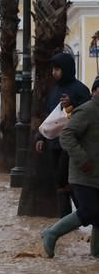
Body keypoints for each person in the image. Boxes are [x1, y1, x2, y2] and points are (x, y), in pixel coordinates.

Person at [42, 78, 99, 258]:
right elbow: (66, 135)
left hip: (96, 174)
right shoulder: (87, 110)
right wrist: (82, 159)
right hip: (83, 174)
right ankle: (52, 233)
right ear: (96, 90)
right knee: (90, 211)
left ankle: (96, 256)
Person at [35, 53, 91, 217]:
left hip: (72, 144)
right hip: (54, 143)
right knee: (60, 181)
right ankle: (67, 219)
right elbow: (50, 117)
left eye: (57, 69)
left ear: (66, 69)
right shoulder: (54, 91)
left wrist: (72, 104)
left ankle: (85, 215)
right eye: (53, 69)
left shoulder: (80, 89)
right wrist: (41, 137)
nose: (54, 72)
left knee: (67, 179)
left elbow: (88, 113)